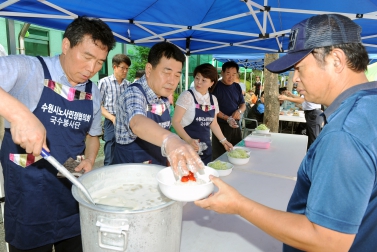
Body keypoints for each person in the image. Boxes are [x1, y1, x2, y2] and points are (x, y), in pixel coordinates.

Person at [195, 14, 377, 251]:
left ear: (336, 60)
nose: (295, 79)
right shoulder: (368, 106)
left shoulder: (344, 133)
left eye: (299, 68)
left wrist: (239, 205)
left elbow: (327, 240)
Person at [0, 17, 116, 251]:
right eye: (87, 56)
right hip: (28, 198)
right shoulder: (28, 69)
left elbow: (92, 135)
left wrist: (91, 159)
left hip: (70, 196)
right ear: (66, 45)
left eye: (99, 62)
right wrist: (20, 115)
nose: (91, 69)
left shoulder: (93, 91)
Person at [112, 42, 204, 176]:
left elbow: (160, 135)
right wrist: (171, 140)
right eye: (167, 73)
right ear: (149, 70)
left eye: (177, 75)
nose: (172, 81)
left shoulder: (163, 97)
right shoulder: (133, 93)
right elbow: (137, 122)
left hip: (157, 172)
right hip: (130, 177)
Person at [172, 63, 233, 164]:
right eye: (197, 78)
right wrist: (189, 140)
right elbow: (175, 121)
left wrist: (224, 141)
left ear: (211, 83)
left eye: (204, 80)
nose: (199, 82)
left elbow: (213, 124)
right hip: (185, 147)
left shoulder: (213, 100)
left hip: (205, 149)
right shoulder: (187, 96)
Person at [98, 54, 131, 166]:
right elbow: (97, 105)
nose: (125, 71)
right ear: (114, 67)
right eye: (123, 68)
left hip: (125, 121)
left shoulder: (128, 85)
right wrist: (112, 118)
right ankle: (107, 175)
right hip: (110, 119)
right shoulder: (104, 82)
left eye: (127, 69)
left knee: (124, 148)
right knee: (110, 148)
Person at [211, 61, 246, 160]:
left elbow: (243, 105)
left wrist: (239, 111)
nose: (231, 77)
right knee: (220, 156)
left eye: (234, 74)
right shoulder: (215, 87)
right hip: (220, 127)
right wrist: (228, 118)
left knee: (237, 153)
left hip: (235, 126)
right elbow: (213, 110)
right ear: (222, 73)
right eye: (228, 74)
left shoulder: (236, 86)